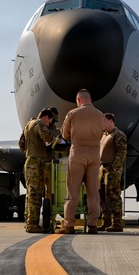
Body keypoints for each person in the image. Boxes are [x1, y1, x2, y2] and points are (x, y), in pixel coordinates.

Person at [58, 89, 106, 234]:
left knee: (72, 191)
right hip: (95, 154)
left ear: (78, 100)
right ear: (90, 100)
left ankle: (69, 225)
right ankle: (92, 225)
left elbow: (64, 134)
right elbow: (102, 133)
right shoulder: (100, 115)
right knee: (93, 193)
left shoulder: (73, 114)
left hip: (77, 153)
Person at [21, 108, 57, 233]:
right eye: (49, 121)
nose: (48, 125)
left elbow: (21, 145)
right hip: (36, 163)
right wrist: (55, 139)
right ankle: (33, 225)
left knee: (30, 194)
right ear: (46, 118)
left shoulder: (27, 125)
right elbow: (47, 137)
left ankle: (29, 222)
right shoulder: (39, 123)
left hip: (29, 161)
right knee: (36, 195)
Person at [98, 113, 128, 232]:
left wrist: (115, 167)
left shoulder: (118, 135)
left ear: (110, 121)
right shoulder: (104, 135)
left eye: (103, 121)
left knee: (113, 196)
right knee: (102, 196)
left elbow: (122, 152)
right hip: (102, 168)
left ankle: (117, 223)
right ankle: (106, 221)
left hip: (112, 169)